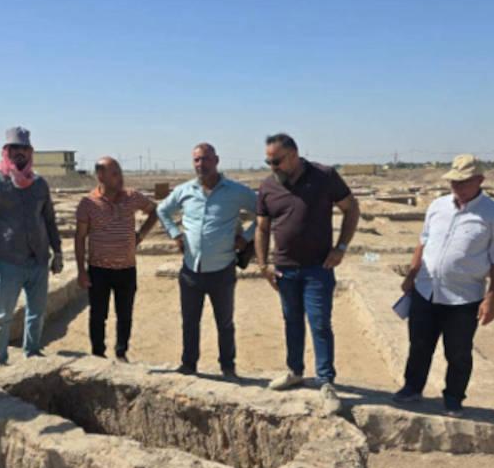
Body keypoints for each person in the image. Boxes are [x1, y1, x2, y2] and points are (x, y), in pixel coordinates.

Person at [393, 155, 494, 416]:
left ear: (480, 180)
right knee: (419, 344)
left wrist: (491, 298)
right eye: (453, 182)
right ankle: (412, 388)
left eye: (463, 182)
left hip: (464, 296)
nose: (456, 187)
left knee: (458, 351)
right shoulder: (438, 206)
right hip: (426, 289)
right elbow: (423, 241)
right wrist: (411, 274)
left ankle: (453, 397)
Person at [255, 133, 360, 413]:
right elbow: (262, 227)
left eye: (276, 161)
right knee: (291, 321)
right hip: (284, 269)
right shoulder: (268, 186)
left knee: (320, 323)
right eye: (268, 161)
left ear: (293, 154)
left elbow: (351, 208)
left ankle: (326, 381)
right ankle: (295, 371)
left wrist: (341, 247)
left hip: (318, 268)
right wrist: (263, 264)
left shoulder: (324, 176)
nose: (272, 166)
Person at [157, 143, 257, 377]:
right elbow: (162, 210)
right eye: (196, 160)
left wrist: (246, 237)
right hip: (191, 270)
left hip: (222, 270)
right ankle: (189, 365)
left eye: (205, 159)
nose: (201, 164)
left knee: (225, 323)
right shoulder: (185, 190)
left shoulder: (235, 191)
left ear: (216, 160)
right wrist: (175, 234)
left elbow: (265, 212)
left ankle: (228, 367)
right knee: (190, 323)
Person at [0, 126, 63, 365]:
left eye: (24, 148)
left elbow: (49, 220)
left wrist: (57, 252)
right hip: (8, 261)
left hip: (38, 260)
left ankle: (32, 353)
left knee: (36, 313)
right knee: (3, 315)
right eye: (14, 148)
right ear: (6, 150)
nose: (19, 153)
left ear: (30, 152)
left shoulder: (39, 184)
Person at [75, 157, 158, 361]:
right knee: (98, 315)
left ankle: (121, 352)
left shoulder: (132, 197)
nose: (120, 177)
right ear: (100, 176)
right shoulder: (88, 203)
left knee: (125, 315)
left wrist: (140, 236)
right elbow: (80, 237)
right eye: (114, 173)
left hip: (127, 268)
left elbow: (155, 211)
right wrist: (81, 271)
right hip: (98, 269)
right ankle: (98, 353)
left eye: (120, 172)